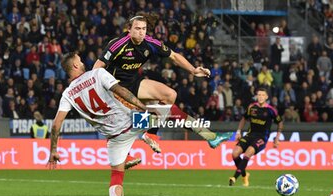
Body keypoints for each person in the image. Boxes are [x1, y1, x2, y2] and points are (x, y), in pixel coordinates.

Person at [93, 12, 232, 151]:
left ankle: (153, 134)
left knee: (170, 96)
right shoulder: (118, 44)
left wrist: (193, 70)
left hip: (134, 83)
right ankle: (210, 136)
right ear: (129, 29)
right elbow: (97, 68)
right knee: (168, 113)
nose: (141, 32)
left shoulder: (150, 43)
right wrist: (95, 91)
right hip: (115, 88)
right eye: (137, 28)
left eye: (144, 29)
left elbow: (174, 56)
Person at [47, 52, 157, 196]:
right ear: (75, 66)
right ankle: (152, 135)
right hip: (132, 122)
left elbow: (56, 125)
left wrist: (53, 150)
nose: (82, 62)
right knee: (164, 107)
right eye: (80, 60)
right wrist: (143, 107)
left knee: (117, 175)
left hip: (114, 138)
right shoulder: (98, 73)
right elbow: (121, 90)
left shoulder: (67, 94)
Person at [229, 88, 283, 186]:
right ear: (256, 96)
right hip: (250, 135)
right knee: (234, 154)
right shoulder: (252, 107)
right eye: (259, 95)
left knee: (247, 154)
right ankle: (245, 175)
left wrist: (277, 138)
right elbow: (244, 118)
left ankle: (234, 177)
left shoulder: (271, 110)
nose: (260, 97)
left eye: (263, 95)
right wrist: (238, 131)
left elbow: (280, 122)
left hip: (262, 138)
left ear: (266, 97)